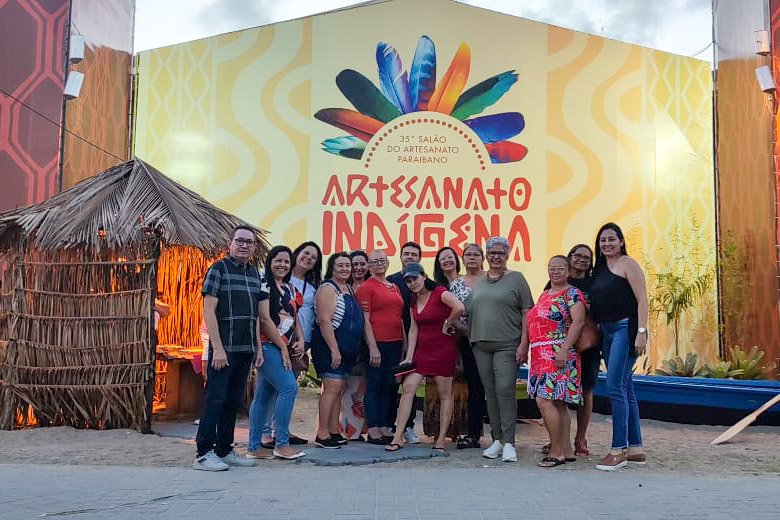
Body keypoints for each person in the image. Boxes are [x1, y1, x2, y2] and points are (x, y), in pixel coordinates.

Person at [194, 225, 262, 471]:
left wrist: (256, 348)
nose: (244, 245)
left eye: (249, 242)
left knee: (233, 401)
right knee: (216, 399)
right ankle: (203, 454)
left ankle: (224, 450)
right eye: (240, 241)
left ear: (254, 247)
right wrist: (218, 349)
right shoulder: (218, 269)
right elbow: (208, 310)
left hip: (245, 348)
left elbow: (255, 315)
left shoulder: (254, 274)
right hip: (225, 348)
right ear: (229, 244)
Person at [465, 236, 534, 463]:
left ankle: (510, 442)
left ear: (507, 255)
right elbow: (467, 310)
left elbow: (527, 313)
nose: (495, 256)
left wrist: (524, 344)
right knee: (490, 392)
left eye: (499, 253)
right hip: (480, 344)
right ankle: (497, 439)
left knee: (505, 389)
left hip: (508, 343)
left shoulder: (517, 279)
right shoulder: (480, 281)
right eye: (491, 252)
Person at [386, 263, 464, 452]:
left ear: (423, 276)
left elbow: (460, 307)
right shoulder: (413, 299)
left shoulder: (439, 292)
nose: (413, 283)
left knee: (444, 394)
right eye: (408, 281)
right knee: (408, 388)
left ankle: (440, 441)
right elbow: (413, 330)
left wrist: (448, 322)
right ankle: (398, 437)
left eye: (415, 278)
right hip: (422, 352)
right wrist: (409, 357)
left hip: (443, 349)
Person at [590, 222, 648, 471]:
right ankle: (635, 448)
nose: (607, 244)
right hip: (607, 331)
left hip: (626, 329)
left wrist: (641, 333)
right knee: (626, 388)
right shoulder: (600, 269)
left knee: (614, 386)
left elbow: (642, 298)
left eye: (612, 239)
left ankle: (618, 450)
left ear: (621, 241)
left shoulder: (628, 264)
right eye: (603, 240)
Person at [519, 255, 586, 467]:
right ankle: (565, 449)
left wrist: (564, 349)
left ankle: (556, 451)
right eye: (552, 268)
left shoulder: (572, 293)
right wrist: (525, 346)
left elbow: (578, 322)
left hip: (558, 352)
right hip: (540, 354)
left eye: (560, 268)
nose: (555, 271)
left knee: (544, 400)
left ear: (568, 271)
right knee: (557, 402)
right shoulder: (544, 295)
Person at [258, 242, 321, 448]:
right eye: (305, 253)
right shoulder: (272, 280)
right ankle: (265, 433)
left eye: (314, 256)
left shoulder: (311, 287)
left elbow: (301, 315)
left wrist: (302, 340)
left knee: (286, 388)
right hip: (273, 340)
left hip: (299, 342)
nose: (309, 258)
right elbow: (265, 316)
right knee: (273, 387)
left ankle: (280, 430)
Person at [247, 246, 306, 460]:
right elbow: (263, 319)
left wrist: (299, 339)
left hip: (282, 345)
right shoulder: (264, 285)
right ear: (270, 262)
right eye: (278, 260)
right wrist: (282, 347)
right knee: (289, 388)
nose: (282, 265)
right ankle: (281, 443)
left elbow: (295, 316)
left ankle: (254, 446)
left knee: (263, 395)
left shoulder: (290, 288)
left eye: (286, 262)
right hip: (268, 345)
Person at [432, 244, 487, 449]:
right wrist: (467, 332)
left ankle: (502, 437)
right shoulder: (455, 286)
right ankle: (473, 435)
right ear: (462, 259)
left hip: (494, 339)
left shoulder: (493, 279)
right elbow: (452, 316)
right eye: (468, 255)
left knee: (495, 387)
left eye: (476, 254)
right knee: (475, 386)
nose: (472, 258)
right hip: (467, 339)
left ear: (483, 257)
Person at [311, 252, 365, 448]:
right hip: (329, 346)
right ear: (331, 268)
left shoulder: (348, 288)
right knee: (331, 388)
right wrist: (334, 349)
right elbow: (324, 321)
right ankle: (322, 434)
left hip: (346, 348)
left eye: (347, 265)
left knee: (338, 389)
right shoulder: (327, 288)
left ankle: (334, 431)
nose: (344, 268)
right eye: (340, 265)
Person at [356, 249, 404, 445]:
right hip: (376, 343)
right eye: (374, 261)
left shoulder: (394, 286)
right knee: (374, 385)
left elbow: (399, 315)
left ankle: (385, 425)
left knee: (389, 386)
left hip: (395, 343)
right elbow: (365, 319)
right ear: (368, 265)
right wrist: (373, 347)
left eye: (382, 260)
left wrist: (405, 343)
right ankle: (373, 428)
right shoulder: (366, 287)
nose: (378, 264)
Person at [386, 241, 422, 444]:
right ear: (400, 257)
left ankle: (408, 427)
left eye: (414, 254)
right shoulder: (391, 281)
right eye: (406, 253)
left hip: (417, 342)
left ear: (419, 258)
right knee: (392, 385)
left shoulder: (423, 283)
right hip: (393, 340)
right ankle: (390, 425)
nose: (409, 257)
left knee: (410, 386)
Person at [339, 250, 371, 439]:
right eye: (354, 264)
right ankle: (339, 430)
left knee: (359, 390)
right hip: (344, 345)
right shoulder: (342, 287)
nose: (358, 268)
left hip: (365, 345)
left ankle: (355, 432)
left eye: (362, 264)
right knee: (341, 388)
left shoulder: (371, 286)